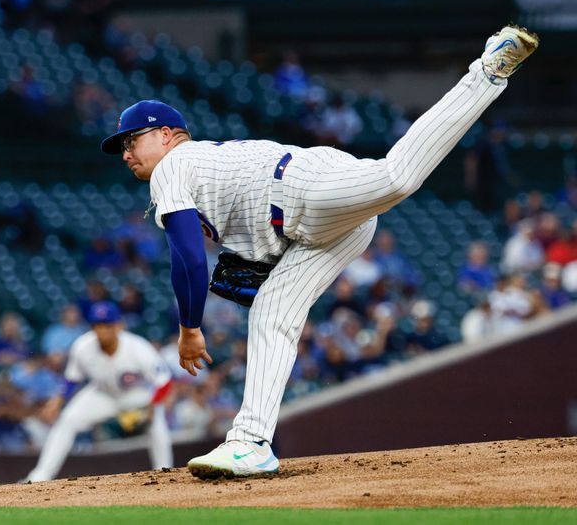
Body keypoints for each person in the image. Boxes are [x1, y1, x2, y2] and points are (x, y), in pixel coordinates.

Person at [99, 25, 538, 479]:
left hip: (305, 190)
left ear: (169, 135)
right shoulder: (198, 169)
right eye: (122, 148)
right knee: (271, 312)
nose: (126, 153)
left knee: (397, 178)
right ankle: (250, 443)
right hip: (313, 221)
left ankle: (487, 71)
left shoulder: (172, 166)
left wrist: (190, 328)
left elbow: (189, 257)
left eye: (132, 141)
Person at [22, 301, 173, 482]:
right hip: (101, 394)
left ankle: (165, 473)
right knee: (68, 420)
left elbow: (164, 381)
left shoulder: (137, 347)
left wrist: (154, 405)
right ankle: (39, 476)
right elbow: (72, 379)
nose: (102, 330)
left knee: (157, 421)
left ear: (119, 325)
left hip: (135, 395)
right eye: (97, 325)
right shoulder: (83, 346)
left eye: (107, 325)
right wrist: (57, 401)